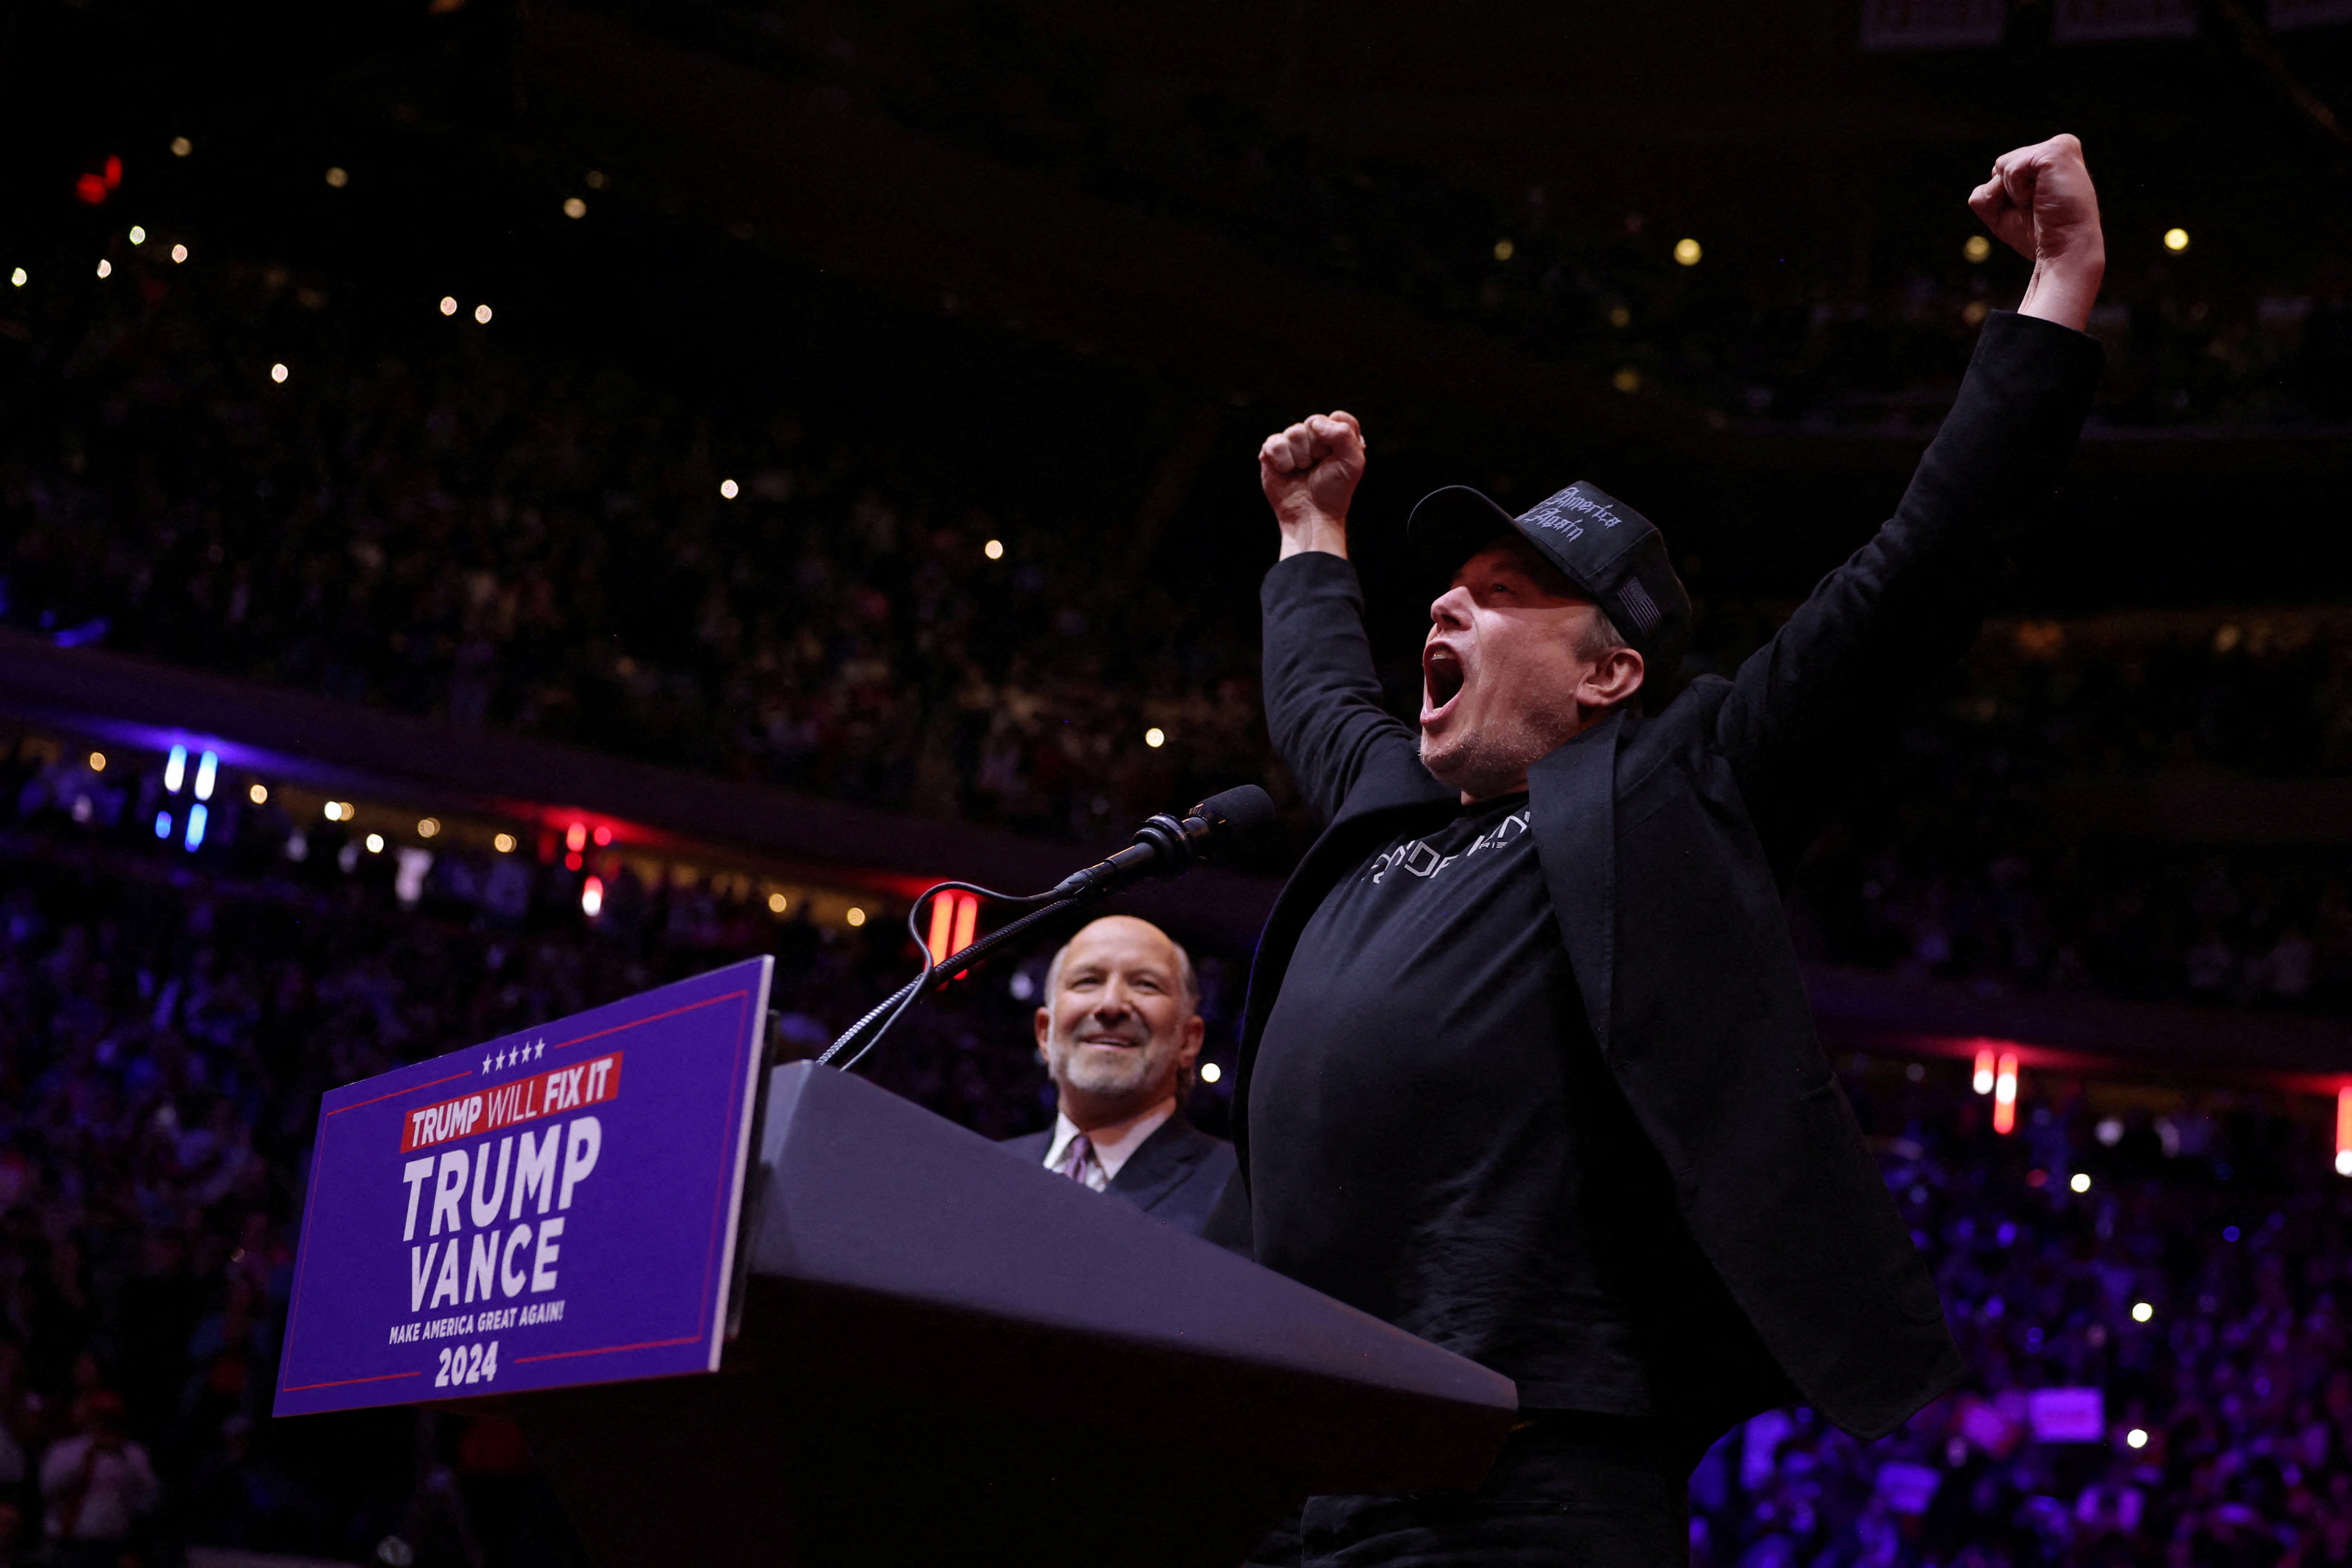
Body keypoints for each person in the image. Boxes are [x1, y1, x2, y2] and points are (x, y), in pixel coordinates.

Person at [1218, 135, 2108, 1565]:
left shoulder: (1669, 790)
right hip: (1301, 1451)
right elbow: (1321, 693)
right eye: (1444, 592)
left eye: (1503, 596)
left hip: (1528, 1467)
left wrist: (2057, 289)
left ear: (1612, 676)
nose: (1443, 612)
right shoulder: (1392, 805)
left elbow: (1913, 575)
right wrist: (1312, 534)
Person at [1003, 915, 1236, 1235]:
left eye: (1146, 984)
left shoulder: (1242, 1193)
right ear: (1045, 1033)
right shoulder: (987, 1171)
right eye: (1087, 981)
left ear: (1189, 1039)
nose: (1112, 1004)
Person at [38, 1391, 158, 1568]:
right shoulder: (66, 1450)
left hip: (113, 1547)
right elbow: (47, 1488)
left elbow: (150, 1496)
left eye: (112, 1419)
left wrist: (121, 1457)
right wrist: (88, 1457)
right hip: (69, 1546)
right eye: (102, 1418)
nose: (107, 1424)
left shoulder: (133, 1454)